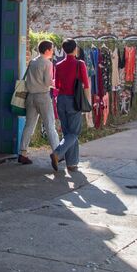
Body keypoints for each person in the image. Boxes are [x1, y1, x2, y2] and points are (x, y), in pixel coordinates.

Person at [17, 40, 60, 165]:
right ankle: (57, 153)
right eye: (51, 49)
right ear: (47, 50)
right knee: (50, 125)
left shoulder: (32, 61)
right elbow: (47, 82)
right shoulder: (47, 63)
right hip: (43, 96)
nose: (52, 52)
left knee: (29, 125)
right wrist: (55, 83)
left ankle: (22, 152)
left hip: (30, 97)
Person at [52, 38, 91, 173]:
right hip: (74, 101)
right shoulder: (80, 64)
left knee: (67, 132)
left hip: (61, 100)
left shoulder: (58, 65)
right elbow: (86, 85)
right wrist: (88, 102)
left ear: (63, 50)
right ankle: (57, 153)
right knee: (74, 133)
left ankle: (72, 164)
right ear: (75, 49)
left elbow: (56, 86)